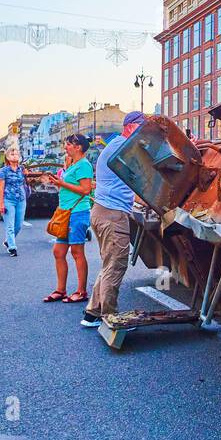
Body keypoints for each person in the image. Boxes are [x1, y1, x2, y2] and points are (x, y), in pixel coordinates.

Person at [82, 112, 144, 328]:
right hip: (112, 214)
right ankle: (110, 316)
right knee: (116, 265)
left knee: (108, 264)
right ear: (129, 127)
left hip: (102, 211)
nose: (143, 133)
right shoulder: (123, 148)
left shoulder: (116, 145)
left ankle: (92, 313)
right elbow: (146, 174)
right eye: (141, 127)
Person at [42, 134, 94, 304]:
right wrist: (58, 182)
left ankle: (81, 291)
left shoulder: (84, 165)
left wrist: (62, 184)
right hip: (65, 212)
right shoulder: (73, 164)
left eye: (68, 144)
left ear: (78, 147)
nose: (66, 147)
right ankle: (60, 290)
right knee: (58, 252)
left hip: (77, 212)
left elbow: (86, 190)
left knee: (77, 252)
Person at [0, 149, 28, 256]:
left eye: (16, 154)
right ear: (7, 157)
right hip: (8, 199)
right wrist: (1, 203)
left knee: (19, 225)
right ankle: (12, 247)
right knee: (9, 224)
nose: (15, 156)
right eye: (12, 154)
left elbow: (24, 182)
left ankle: (8, 241)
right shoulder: (4, 171)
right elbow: (0, 189)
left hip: (21, 199)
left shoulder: (22, 169)